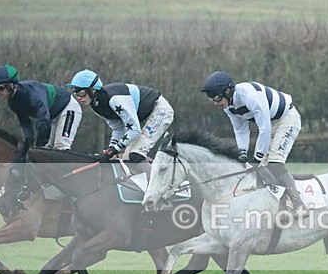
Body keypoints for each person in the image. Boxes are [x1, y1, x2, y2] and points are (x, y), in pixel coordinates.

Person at [200, 71, 307, 215]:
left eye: (217, 98)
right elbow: (241, 130)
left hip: (287, 119)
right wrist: (243, 152)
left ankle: (299, 205)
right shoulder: (228, 107)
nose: (215, 103)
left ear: (227, 91)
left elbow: (264, 128)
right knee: (259, 169)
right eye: (211, 99)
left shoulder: (249, 96)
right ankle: (278, 206)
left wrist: (257, 156)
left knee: (275, 165)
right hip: (270, 123)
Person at [66, 69, 174, 163]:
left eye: (81, 94)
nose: (79, 98)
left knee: (135, 155)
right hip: (143, 118)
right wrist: (110, 148)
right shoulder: (96, 106)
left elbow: (134, 130)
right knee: (127, 160)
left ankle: (156, 186)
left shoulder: (114, 100)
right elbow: (118, 128)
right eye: (76, 94)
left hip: (160, 111)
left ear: (93, 90)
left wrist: (115, 149)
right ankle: (143, 185)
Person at [0, 64, 81, 150]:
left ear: (12, 85)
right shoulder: (12, 103)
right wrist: (29, 146)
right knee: (46, 150)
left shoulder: (32, 94)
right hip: (52, 116)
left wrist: (37, 147)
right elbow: (26, 124)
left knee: (60, 146)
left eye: (0, 88)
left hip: (67, 107)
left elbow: (44, 120)